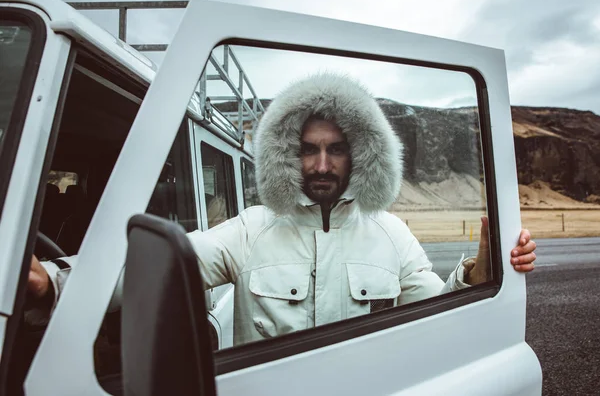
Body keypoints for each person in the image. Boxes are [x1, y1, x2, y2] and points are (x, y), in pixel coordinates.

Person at [27, 72, 536, 346]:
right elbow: (156, 268)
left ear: (359, 154)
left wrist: (480, 272)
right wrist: (54, 282)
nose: (320, 164)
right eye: (307, 149)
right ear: (285, 155)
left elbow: (433, 310)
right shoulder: (252, 229)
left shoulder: (391, 234)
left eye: (335, 149)